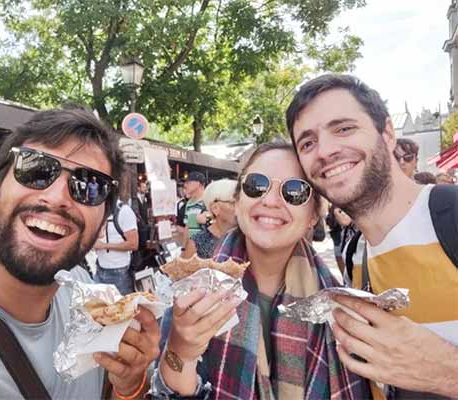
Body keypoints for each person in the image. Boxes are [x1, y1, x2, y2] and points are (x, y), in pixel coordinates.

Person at [0, 107, 160, 399]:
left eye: (89, 186)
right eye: (35, 169)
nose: (57, 198)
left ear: (102, 222)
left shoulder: (89, 299)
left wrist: (128, 385)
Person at [149, 142, 368, 399]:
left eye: (295, 191)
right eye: (257, 185)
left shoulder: (344, 312)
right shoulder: (193, 290)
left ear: (312, 215)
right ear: (238, 199)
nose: (271, 201)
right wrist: (181, 351)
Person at [287, 73, 458, 398]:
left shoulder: (452, 218)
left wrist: (448, 372)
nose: (325, 151)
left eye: (344, 128)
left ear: (388, 133)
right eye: (307, 143)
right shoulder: (358, 258)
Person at [181, 179, 237, 259]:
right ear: (215, 208)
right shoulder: (197, 243)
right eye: (234, 203)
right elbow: (184, 269)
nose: (241, 208)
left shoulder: (248, 239)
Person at [93, 196, 139, 295]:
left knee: (123, 308)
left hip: (119, 272)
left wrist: (105, 246)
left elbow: (133, 244)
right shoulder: (100, 209)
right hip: (99, 268)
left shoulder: (124, 211)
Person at [182, 171, 207, 239]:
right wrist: (184, 248)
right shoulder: (189, 203)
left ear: (198, 183)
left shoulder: (208, 201)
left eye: (188, 182)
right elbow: (187, 228)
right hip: (191, 246)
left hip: (206, 245)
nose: (185, 185)